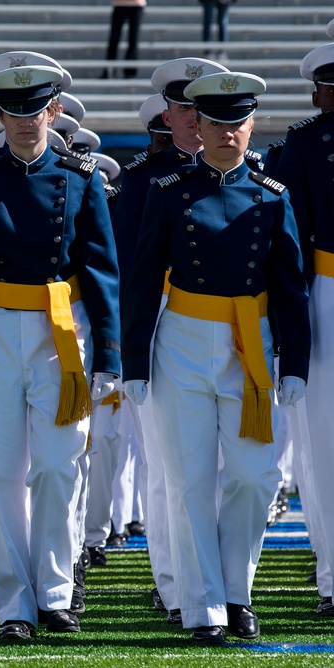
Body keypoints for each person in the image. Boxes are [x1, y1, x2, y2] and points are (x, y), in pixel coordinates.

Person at [0, 52, 119, 641]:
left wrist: (110, 354)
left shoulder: (80, 176)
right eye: (12, 110)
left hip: (61, 331)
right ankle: (15, 602)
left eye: (35, 109)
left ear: (55, 109)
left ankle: (58, 591)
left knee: (58, 463)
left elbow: (101, 270)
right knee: (0, 472)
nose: (24, 121)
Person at [123, 71, 309, 645]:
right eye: (215, 123)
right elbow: (143, 277)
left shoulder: (271, 195)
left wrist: (295, 363)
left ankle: (237, 591)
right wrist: (133, 362)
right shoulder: (170, 190)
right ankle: (205, 607)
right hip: (182, 339)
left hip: (250, 345)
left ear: (252, 125)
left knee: (255, 477)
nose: (228, 133)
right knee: (188, 480)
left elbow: (289, 286)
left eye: (238, 122)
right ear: (196, 127)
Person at [275, 42, 334, 617]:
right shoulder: (305, 143)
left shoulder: (306, 140)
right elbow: (290, 239)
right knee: (320, 436)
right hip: (327, 286)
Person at [103, 0, 145, 79]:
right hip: (120, 3)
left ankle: (130, 71)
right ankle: (110, 70)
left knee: (133, 39)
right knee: (114, 39)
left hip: (136, 4)